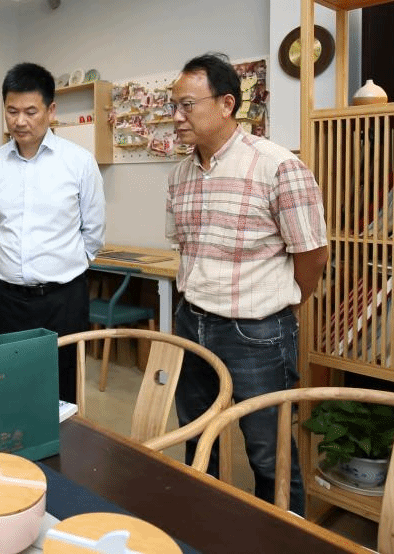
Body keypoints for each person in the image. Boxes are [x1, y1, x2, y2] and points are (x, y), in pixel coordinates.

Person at [166, 52, 328, 515]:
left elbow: (312, 254)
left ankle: (283, 540)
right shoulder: (179, 175)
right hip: (192, 321)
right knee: (198, 438)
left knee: (269, 452)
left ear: (226, 104)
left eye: (187, 105)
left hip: (256, 331)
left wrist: (285, 307)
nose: (176, 117)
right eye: (174, 106)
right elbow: (185, 248)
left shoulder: (277, 166)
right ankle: (204, 529)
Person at [0, 62, 106, 403]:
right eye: (12, 111)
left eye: (31, 111)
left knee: (62, 390)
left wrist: (66, 266)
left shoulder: (79, 162)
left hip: (62, 299)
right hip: (8, 299)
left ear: (51, 111)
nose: (20, 121)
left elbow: (93, 230)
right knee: (7, 388)